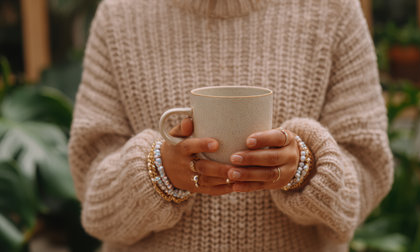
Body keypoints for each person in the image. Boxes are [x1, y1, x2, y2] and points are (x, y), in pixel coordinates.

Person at [68, 0, 394, 251]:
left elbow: (368, 170)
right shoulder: (120, 15)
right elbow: (93, 191)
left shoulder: (331, 10)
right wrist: (159, 172)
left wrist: (306, 169)